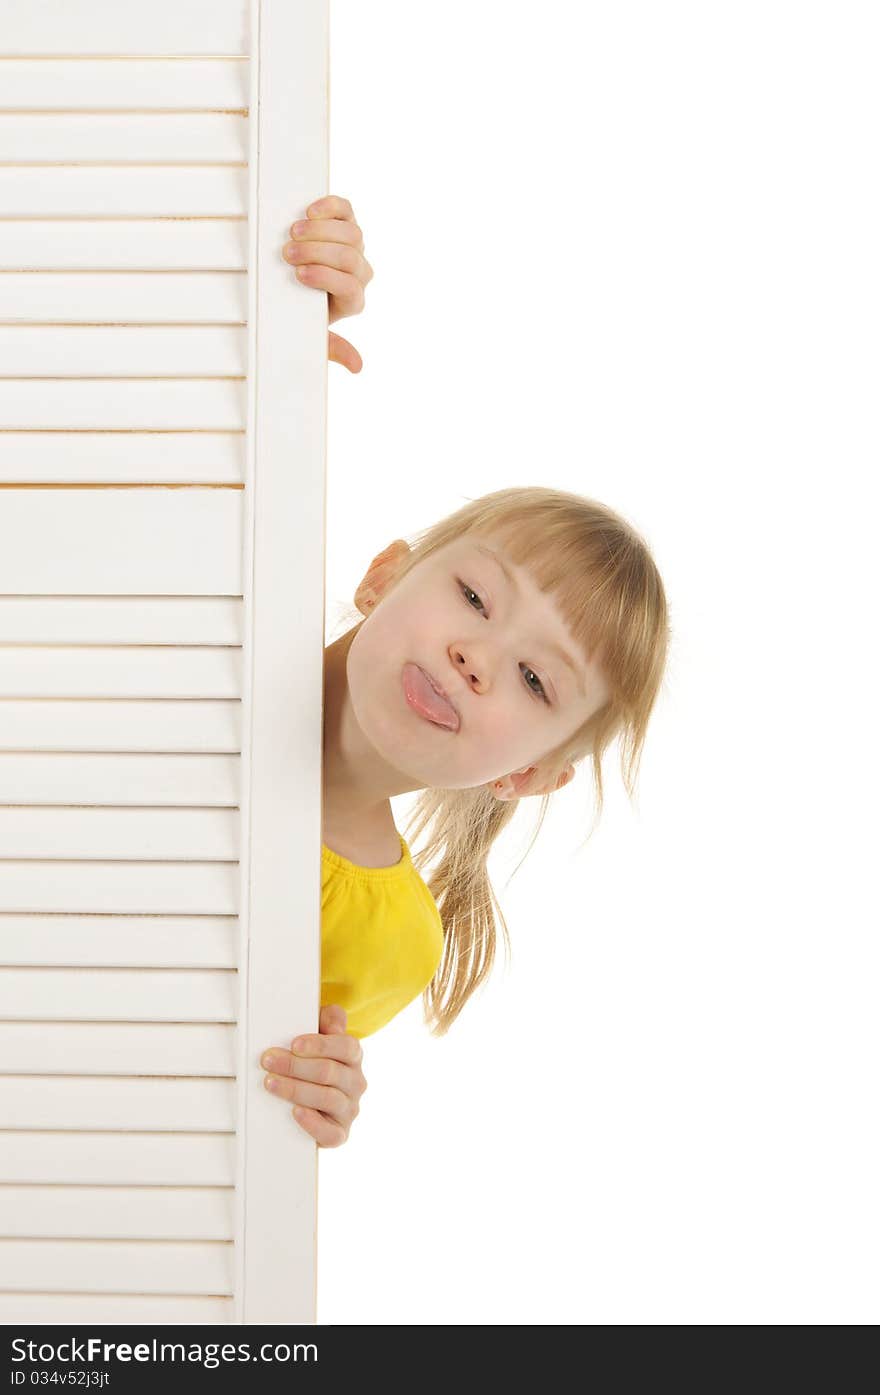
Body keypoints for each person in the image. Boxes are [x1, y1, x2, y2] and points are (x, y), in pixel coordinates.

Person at [258, 197, 671, 1149]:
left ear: (523, 776)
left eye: (536, 683)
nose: (477, 658)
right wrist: (272, 323)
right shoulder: (217, 606)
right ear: (384, 576)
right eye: (477, 600)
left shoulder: (390, 940)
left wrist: (306, 1106)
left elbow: (219, 1106)